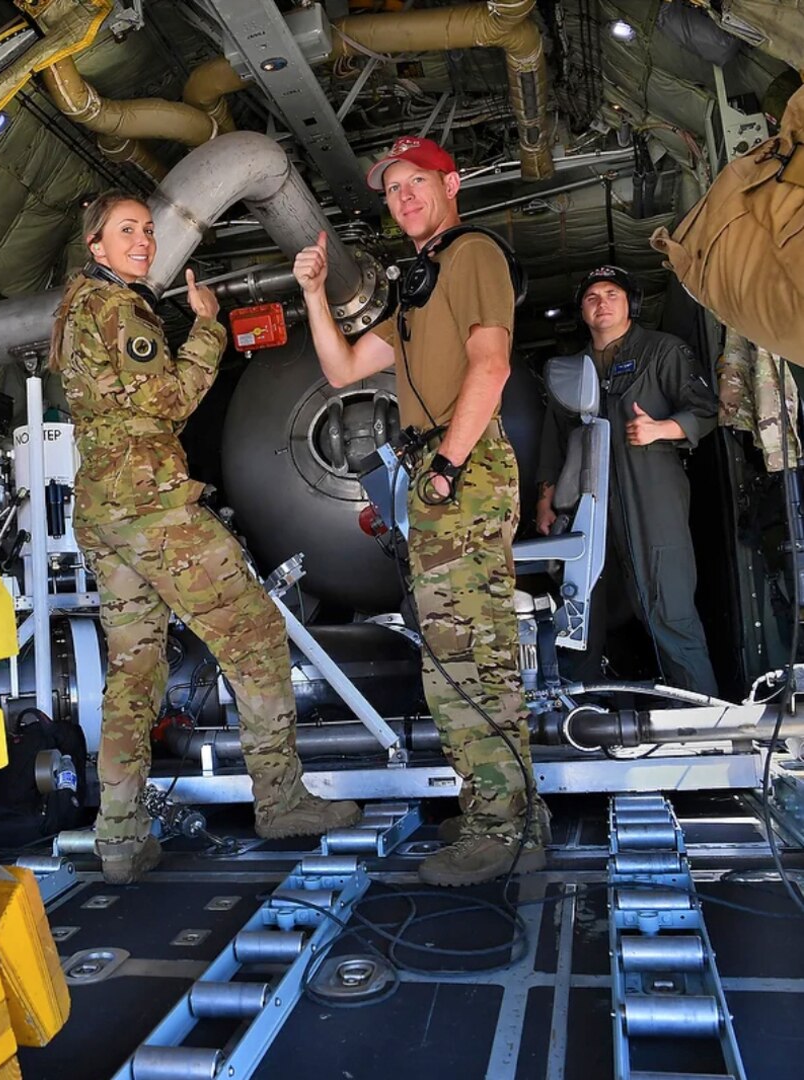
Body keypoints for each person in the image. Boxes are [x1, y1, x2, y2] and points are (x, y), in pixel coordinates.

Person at [49, 191, 362, 884]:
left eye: (146, 230)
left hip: (104, 511)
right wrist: (208, 327)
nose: (142, 240)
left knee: (134, 671)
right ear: (96, 247)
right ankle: (280, 801)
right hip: (153, 508)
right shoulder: (121, 309)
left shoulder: (73, 312)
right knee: (253, 635)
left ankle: (121, 836)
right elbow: (169, 401)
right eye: (124, 231)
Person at [293, 136, 546, 887]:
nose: (402, 197)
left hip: (458, 469)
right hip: (438, 471)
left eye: (416, 183)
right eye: (392, 189)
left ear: (451, 183)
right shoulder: (417, 284)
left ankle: (503, 827)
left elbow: (491, 364)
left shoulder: (471, 256)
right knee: (452, 657)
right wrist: (311, 294)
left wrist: (444, 470)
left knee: (473, 655)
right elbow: (342, 368)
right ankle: (496, 810)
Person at [536, 266, 719, 696]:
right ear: (582, 311)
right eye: (592, 296)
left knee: (669, 611)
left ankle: (705, 717)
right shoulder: (568, 371)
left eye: (612, 293)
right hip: (586, 506)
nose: (602, 302)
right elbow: (553, 441)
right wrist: (546, 503)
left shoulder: (663, 351)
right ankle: (577, 718)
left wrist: (663, 429)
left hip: (650, 499)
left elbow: (705, 409)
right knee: (579, 615)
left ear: (631, 304)